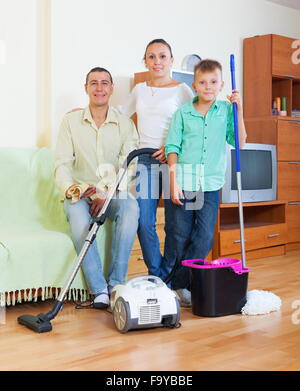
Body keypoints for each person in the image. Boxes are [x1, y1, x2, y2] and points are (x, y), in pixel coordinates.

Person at [54, 67, 139, 309]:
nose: (99, 87)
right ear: (86, 88)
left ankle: (116, 285)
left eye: (104, 83)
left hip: (112, 193)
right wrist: (73, 189)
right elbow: (61, 163)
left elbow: (129, 165)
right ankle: (99, 290)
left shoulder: (125, 125)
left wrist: (107, 192)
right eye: (93, 83)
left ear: (112, 88)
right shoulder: (70, 122)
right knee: (80, 222)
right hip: (80, 195)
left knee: (131, 208)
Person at [165, 59, 247, 307]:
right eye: (203, 82)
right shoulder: (183, 113)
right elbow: (172, 148)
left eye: (213, 82)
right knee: (179, 236)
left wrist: (239, 110)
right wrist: (172, 182)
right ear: (195, 85)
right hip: (184, 182)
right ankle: (180, 286)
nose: (208, 86)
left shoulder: (225, 110)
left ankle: (184, 281)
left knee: (203, 238)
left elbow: (240, 142)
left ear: (221, 84)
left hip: (210, 185)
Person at [118, 39, 194, 280]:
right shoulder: (139, 89)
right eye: (151, 57)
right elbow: (120, 115)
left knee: (175, 226)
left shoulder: (182, 90)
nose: (157, 61)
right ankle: (158, 274)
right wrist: (84, 110)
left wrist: (171, 146)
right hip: (146, 161)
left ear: (171, 59)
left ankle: (171, 275)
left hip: (173, 161)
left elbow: (193, 125)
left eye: (162, 56)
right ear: (145, 61)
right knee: (144, 221)